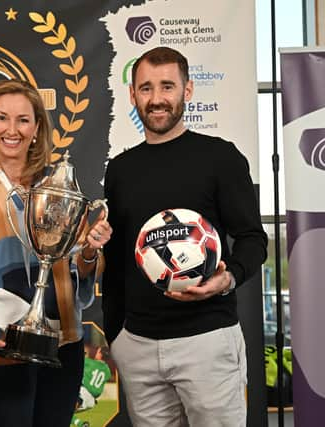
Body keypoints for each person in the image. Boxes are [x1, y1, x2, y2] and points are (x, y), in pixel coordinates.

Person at [102, 46, 268, 426]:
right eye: (145, 88)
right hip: (139, 346)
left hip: (206, 341)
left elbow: (253, 239)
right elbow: (116, 259)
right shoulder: (121, 169)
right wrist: (117, 334)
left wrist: (227, 279)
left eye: (167, 87)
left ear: (187, 90)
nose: (157, 99)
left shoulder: (221, 158)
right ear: (132, 95)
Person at [0, 78, 112, 427]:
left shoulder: (61, 187)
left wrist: (91, 251)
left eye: (23, 120)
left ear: (37, 129)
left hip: (64, 343)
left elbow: (81, 269)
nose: (12, 130)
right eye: (2, 118)